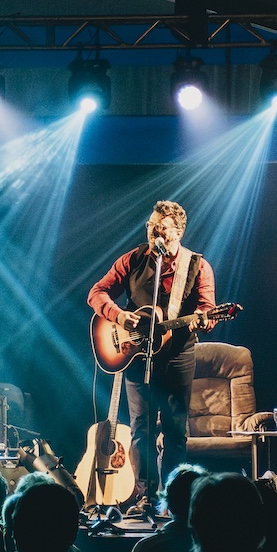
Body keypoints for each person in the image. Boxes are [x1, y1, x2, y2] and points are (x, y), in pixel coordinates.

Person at [86, 200, 217, 507]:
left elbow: (207, 309)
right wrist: (119, 316)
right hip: (136, 354)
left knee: (175, 430)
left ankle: (173, 499)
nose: (154, 232)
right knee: (140, 429)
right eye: (151, 226)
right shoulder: (133, 259)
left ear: (178, 231)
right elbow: (96, 292)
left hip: (178, 355)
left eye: (161, 227)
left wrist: (205, 319)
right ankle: (144, 495)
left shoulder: (197, 266)